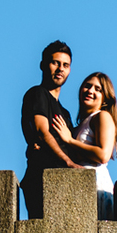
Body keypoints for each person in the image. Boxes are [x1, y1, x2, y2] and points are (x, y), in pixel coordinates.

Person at [50, 71, 117, 220]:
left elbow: (103, 155)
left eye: (98, 89)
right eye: (88, 86)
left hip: (95, 183)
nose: (90, 91)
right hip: (78, 183)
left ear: (105, 98)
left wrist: (70, 140)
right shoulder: (79, 125)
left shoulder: (102, 116)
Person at [20, 40, 76, 219]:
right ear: (43, 65)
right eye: (55, 63)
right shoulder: (37, 94)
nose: (60, 69)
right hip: (42, 179)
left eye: (65, 65)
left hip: (63, 183)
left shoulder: (65, 113)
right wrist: (68, 163)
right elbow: (42, 132)